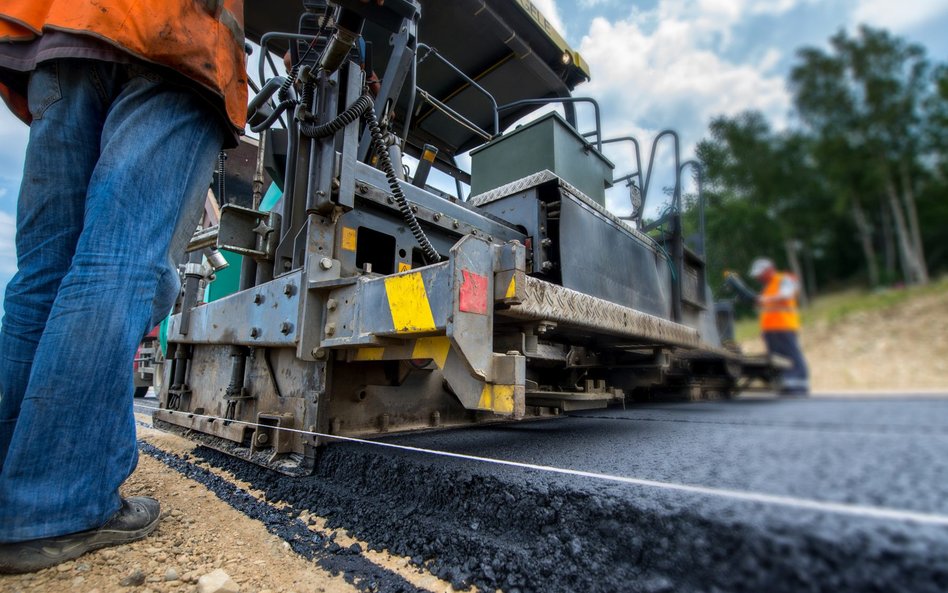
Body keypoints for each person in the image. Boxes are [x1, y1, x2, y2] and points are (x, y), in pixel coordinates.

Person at [0, 0, 246, 573]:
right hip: (171, 41)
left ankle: (15, 497)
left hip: (63, 39)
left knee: (42, 277)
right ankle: (61, 503)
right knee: (118, 267)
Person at [746, 258, 809, 395]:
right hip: (771, 330)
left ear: (769, 270)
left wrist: (764, 299)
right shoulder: (768, 286)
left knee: (791, 356)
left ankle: (798, 386)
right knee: (777, 359)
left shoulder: (784, 279)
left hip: (784, 326)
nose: (758, 277)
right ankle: (785, 385)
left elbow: (786, 296)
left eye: (760, 274)